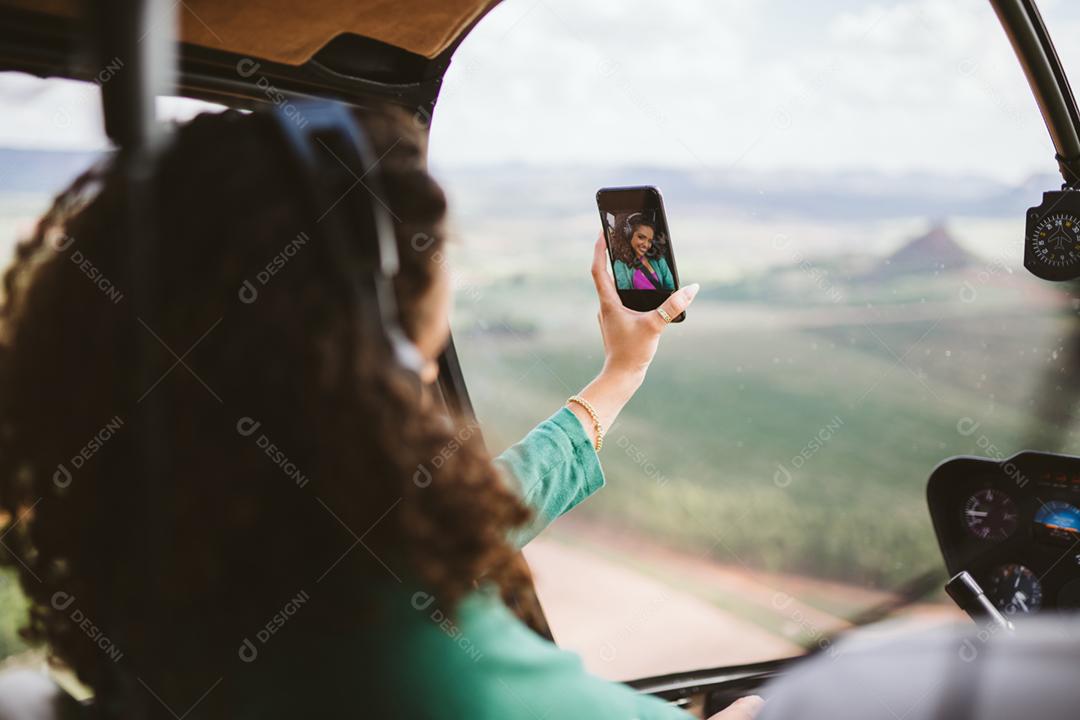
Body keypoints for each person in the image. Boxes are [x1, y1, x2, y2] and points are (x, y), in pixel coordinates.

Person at [0, 105, 757, 719]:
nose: (431, 367)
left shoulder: (187, 568)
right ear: (378, 361)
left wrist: (621, 372)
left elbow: (459, 522)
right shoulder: (428, 670)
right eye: (425, 353)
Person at [611, 213, 675, 291]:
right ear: (629, 235)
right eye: (641, 237)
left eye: (650, 241)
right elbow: (626, 296)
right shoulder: (620, 265)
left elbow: (671, 288)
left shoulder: (659, 259)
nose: (646, 245)